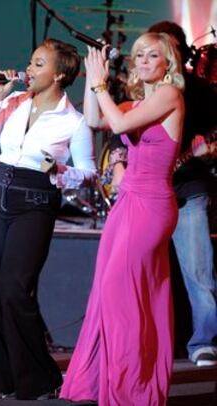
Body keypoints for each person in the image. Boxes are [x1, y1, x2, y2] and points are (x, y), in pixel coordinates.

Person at [60, 32, 185, 405]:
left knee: (122, 294)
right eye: (139, 55)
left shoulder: (169, 95)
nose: (144, 60)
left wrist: (100, 85)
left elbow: (116, 125)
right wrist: (91, 77)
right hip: (127, 203)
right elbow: (97, 120)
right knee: (108, 293)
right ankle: (106, 382)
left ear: (167, 64)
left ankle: (131, 389)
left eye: (153, 55)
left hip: (151, 205)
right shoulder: (136, 103)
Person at [0, 38, 97, 400]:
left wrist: (59, 169)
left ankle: (40, 377)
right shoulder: (14, 101)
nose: (29, 69)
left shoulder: (74, 121)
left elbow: (89, 174)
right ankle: (6, 378)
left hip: (36, 199)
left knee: (13, 288)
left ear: (59, 74)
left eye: (38, 64)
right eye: (30, 62)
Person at [109, 21, 217, 367]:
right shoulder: (140, 93)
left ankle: (204, 341)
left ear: (177, 54)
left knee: (198, 270)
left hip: (187, 187)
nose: (149, 58)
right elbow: (118, 133)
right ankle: (143, 342)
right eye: (144, 52)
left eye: (160, 51)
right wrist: (117, 165)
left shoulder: (199, 90)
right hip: (145, 193)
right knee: (139, 272)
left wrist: (210, 149)